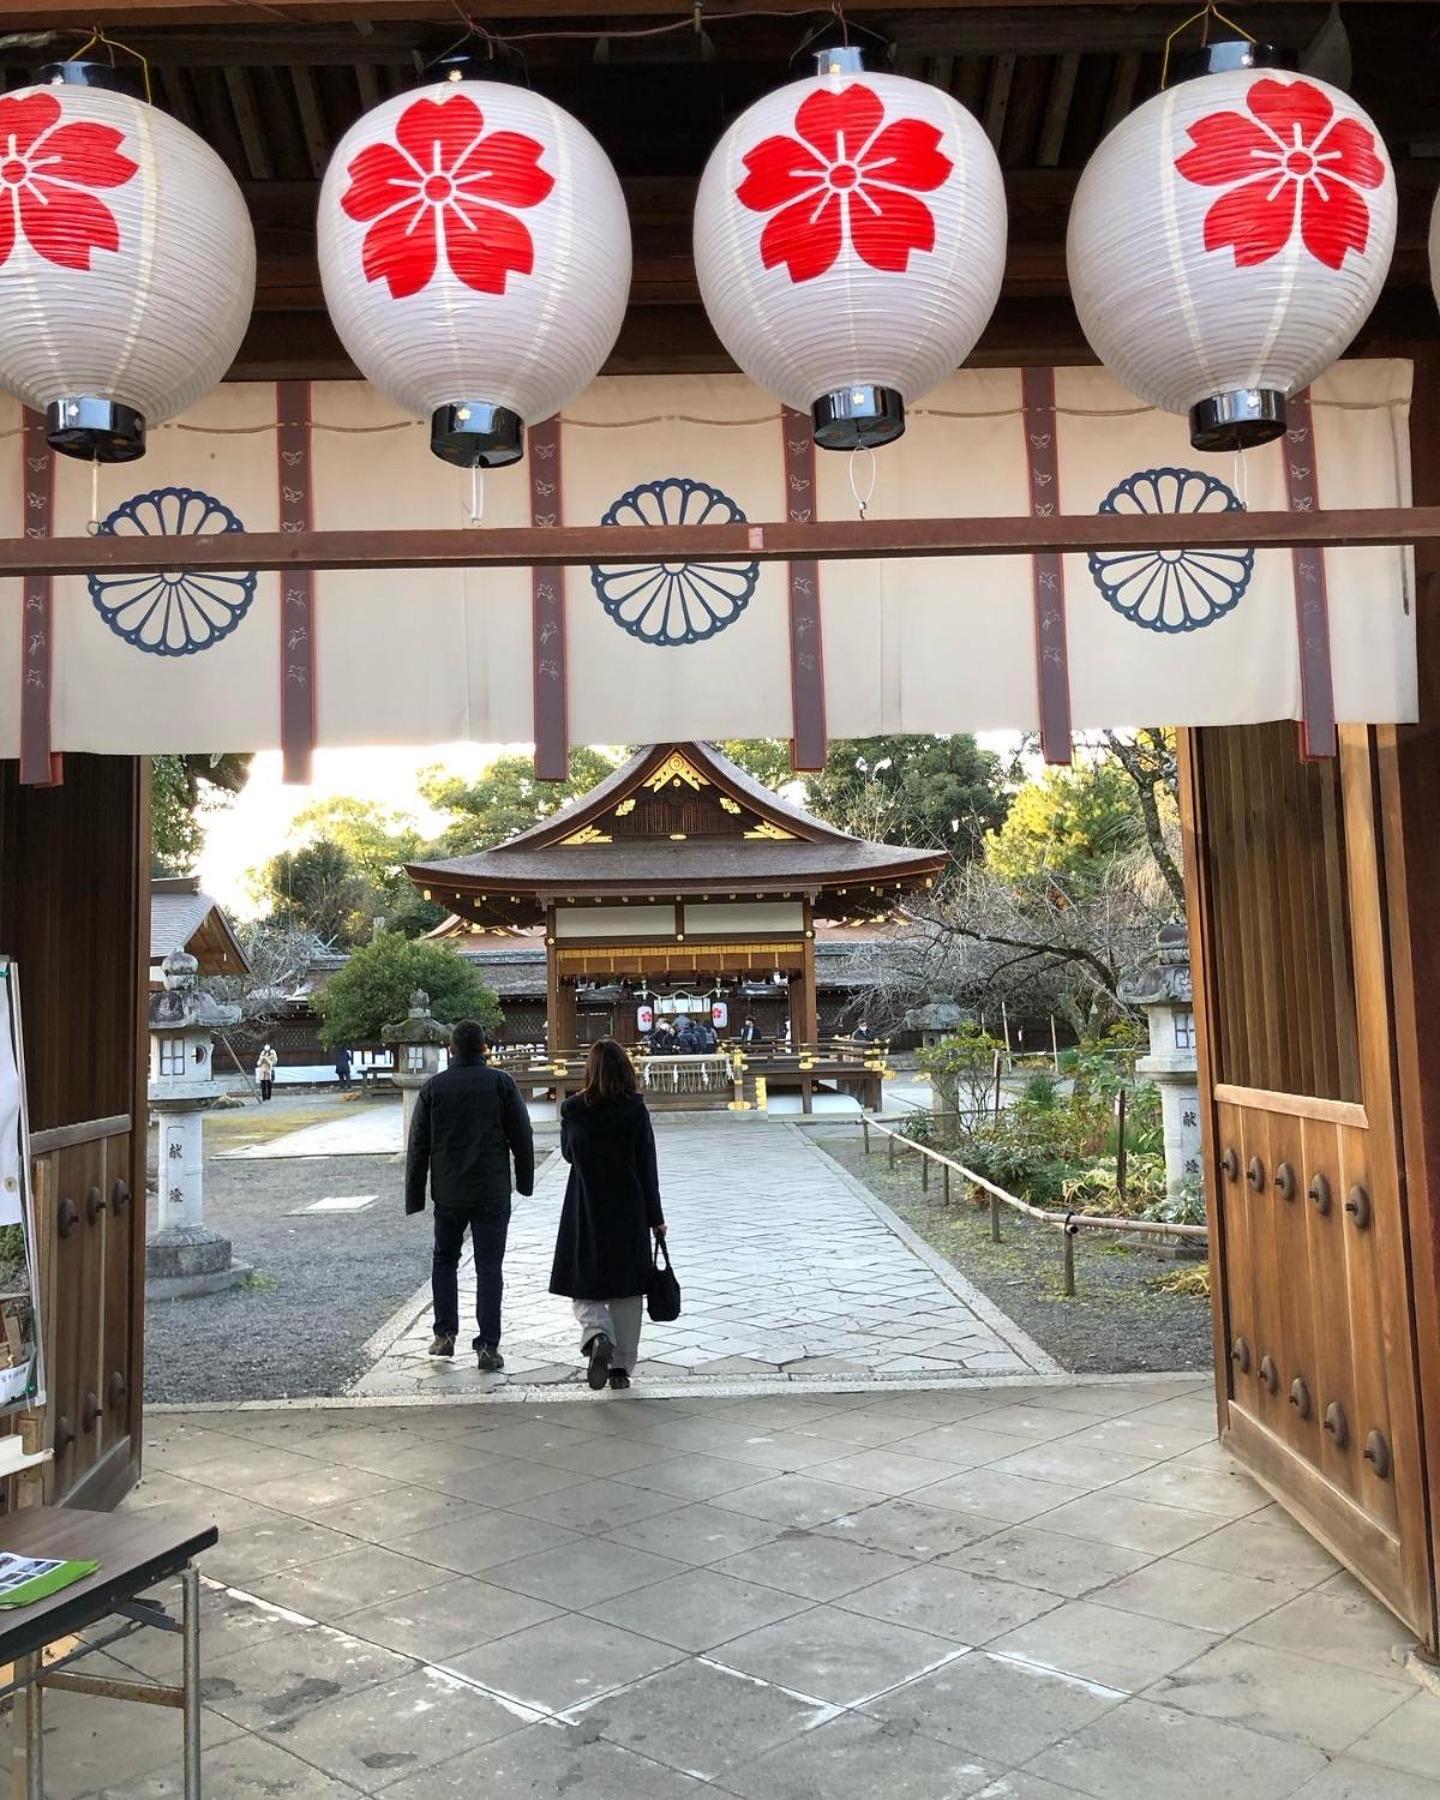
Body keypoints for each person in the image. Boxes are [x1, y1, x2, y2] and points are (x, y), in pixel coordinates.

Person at [405, 1020, 534, 1372]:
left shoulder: (434, 1088)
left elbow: (418, 1146)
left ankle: (445, 1332)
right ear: (484, 1049)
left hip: (448, 1191)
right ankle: (488, 1345)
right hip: (491, 1188)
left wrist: (415, 1196)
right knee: (489, 1266)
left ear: (451, 1049)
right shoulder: (501, 1084)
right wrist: (524, 1182)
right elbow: (522, 1137)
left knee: (444, 1260)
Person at [550, 1038, 666, 1392]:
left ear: (590, 1070)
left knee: (583, 1280)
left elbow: (569, 1154)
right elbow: (648, 1165)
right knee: (628, 1289)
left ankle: (597, 1334)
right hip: (629, 1206)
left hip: (586, 1204)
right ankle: (620, 1369)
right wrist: (656, 1217)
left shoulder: (573, 1110)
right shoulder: (634, 1110)